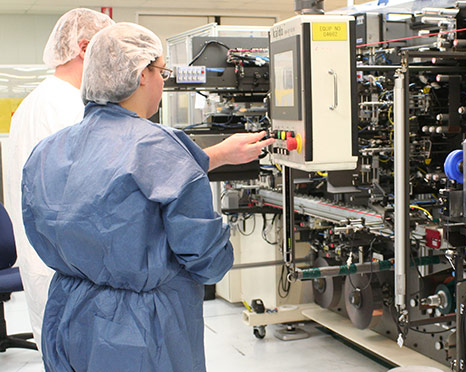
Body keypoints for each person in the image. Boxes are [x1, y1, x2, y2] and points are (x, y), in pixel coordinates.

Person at [21, 22, 275, 371]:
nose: (161, 80)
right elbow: (208, 260)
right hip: (140, 330)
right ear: (142, 74)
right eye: (161, 71)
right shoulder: (160, 145)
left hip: (66, 314)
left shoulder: (49, 148)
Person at [5, 8, 114, 351]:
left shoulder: (34, 102)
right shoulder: (69, 107)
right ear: (84, 48)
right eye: (110, 49)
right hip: (70, 270)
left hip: (47, 265)